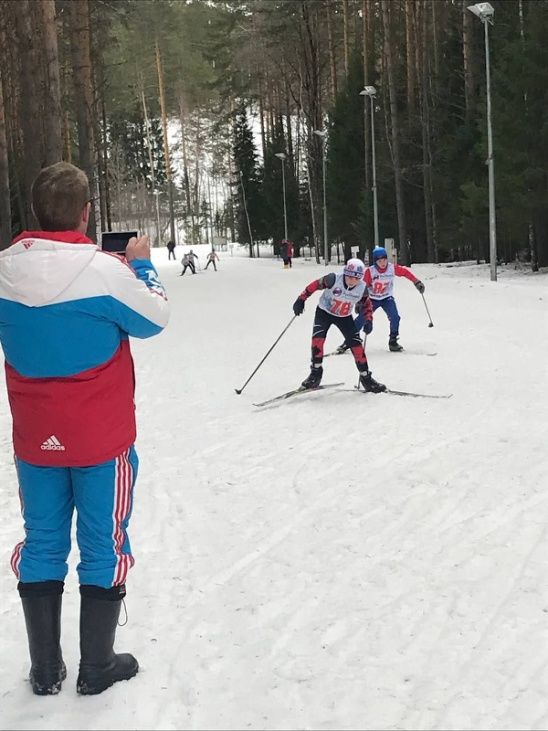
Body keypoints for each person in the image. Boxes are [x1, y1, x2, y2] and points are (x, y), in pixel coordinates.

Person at [0, 162, 170, 696]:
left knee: (43, 540)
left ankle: (46, 669)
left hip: (37, 439)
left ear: (34, 211)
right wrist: (140, 266)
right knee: (103, 541)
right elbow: (154, 319)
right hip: (102, 439)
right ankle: (97, 666)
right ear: (86, 213)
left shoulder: (4, 270)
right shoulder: (105, 271)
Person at [292, 258, 385, 392]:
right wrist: (301, 299)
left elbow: (367, 305)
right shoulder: (333, 279)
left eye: (355, 278)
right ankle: (315, 374)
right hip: (324, 312)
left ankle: (366, 378)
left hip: (344, 317)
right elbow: (314, 285)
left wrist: (368, 320)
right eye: (349, 276)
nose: (351, 280)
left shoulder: (362, 288)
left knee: (356, 346)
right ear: (345, 272)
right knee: (317, 341)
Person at [337, 246, 425, 353]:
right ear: (375, 261)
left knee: (395, 317)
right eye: (380, 261)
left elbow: (405, 273)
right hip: (372, 299)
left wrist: (416, 282)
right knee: (361, 319)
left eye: (384, 260)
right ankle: (349, 340)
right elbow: (362, 287)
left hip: (387, 297)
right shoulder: (370, 271)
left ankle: (393, 341)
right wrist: (360, 302)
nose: (383, 263)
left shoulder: (392, 268)